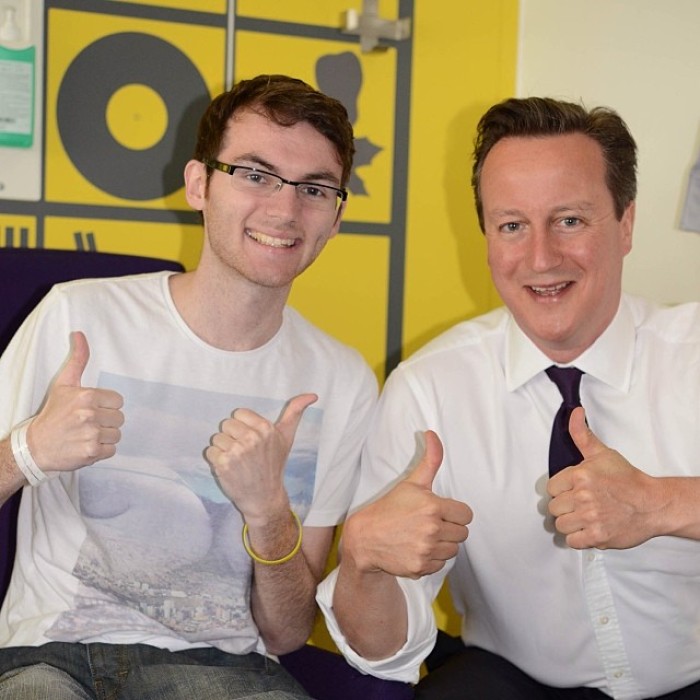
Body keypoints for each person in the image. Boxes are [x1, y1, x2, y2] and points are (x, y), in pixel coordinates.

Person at [0, 74, 377, 699]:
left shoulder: (341, 381)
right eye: (255, 174)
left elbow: (286, 634)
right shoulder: (76, 316)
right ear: (199, 184)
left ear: (335, 216)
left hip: (222, 673)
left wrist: (270, 514)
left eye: (314, 188)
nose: (284, 211)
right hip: (47, 659)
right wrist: (29, 451)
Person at [317, 96, 700, 699]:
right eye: (512, 225)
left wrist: (662, 505)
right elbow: (382, 651)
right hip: (514, 681)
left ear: (625, 224)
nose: (541, 258)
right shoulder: (429, 389)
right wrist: (363, 563)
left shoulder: (693, 351)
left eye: (569, 219)